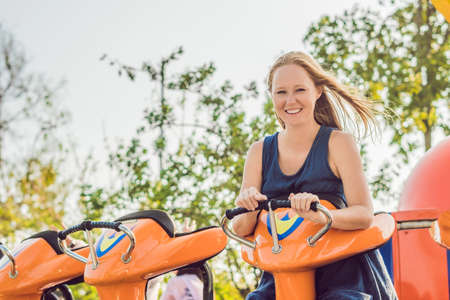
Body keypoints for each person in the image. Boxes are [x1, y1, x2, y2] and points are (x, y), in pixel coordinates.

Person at [232, 51, 397, 299]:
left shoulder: (338, 143)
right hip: (283, 271)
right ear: (272, 96)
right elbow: (242, 227)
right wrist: (249, 205)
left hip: (341, 272)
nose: (290, 100)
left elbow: (363, 214)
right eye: (281, 92)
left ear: (317, 91)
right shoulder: (259, 152)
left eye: (300, 90)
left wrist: (320, 215)